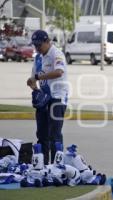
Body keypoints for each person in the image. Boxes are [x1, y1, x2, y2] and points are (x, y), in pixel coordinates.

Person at [27, 30, 68, 164]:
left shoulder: (56, 54)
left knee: (54, 135)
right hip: (44, 99)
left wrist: (38, 77)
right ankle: (43, 165)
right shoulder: (38, 58)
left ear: (47, 41)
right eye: (35, 45)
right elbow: (33, 78)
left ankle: (57, 166)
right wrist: (34, 88)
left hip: (57, 98)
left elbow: (59, 72)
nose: (37, 48)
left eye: (39, 45)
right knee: (42, 134)